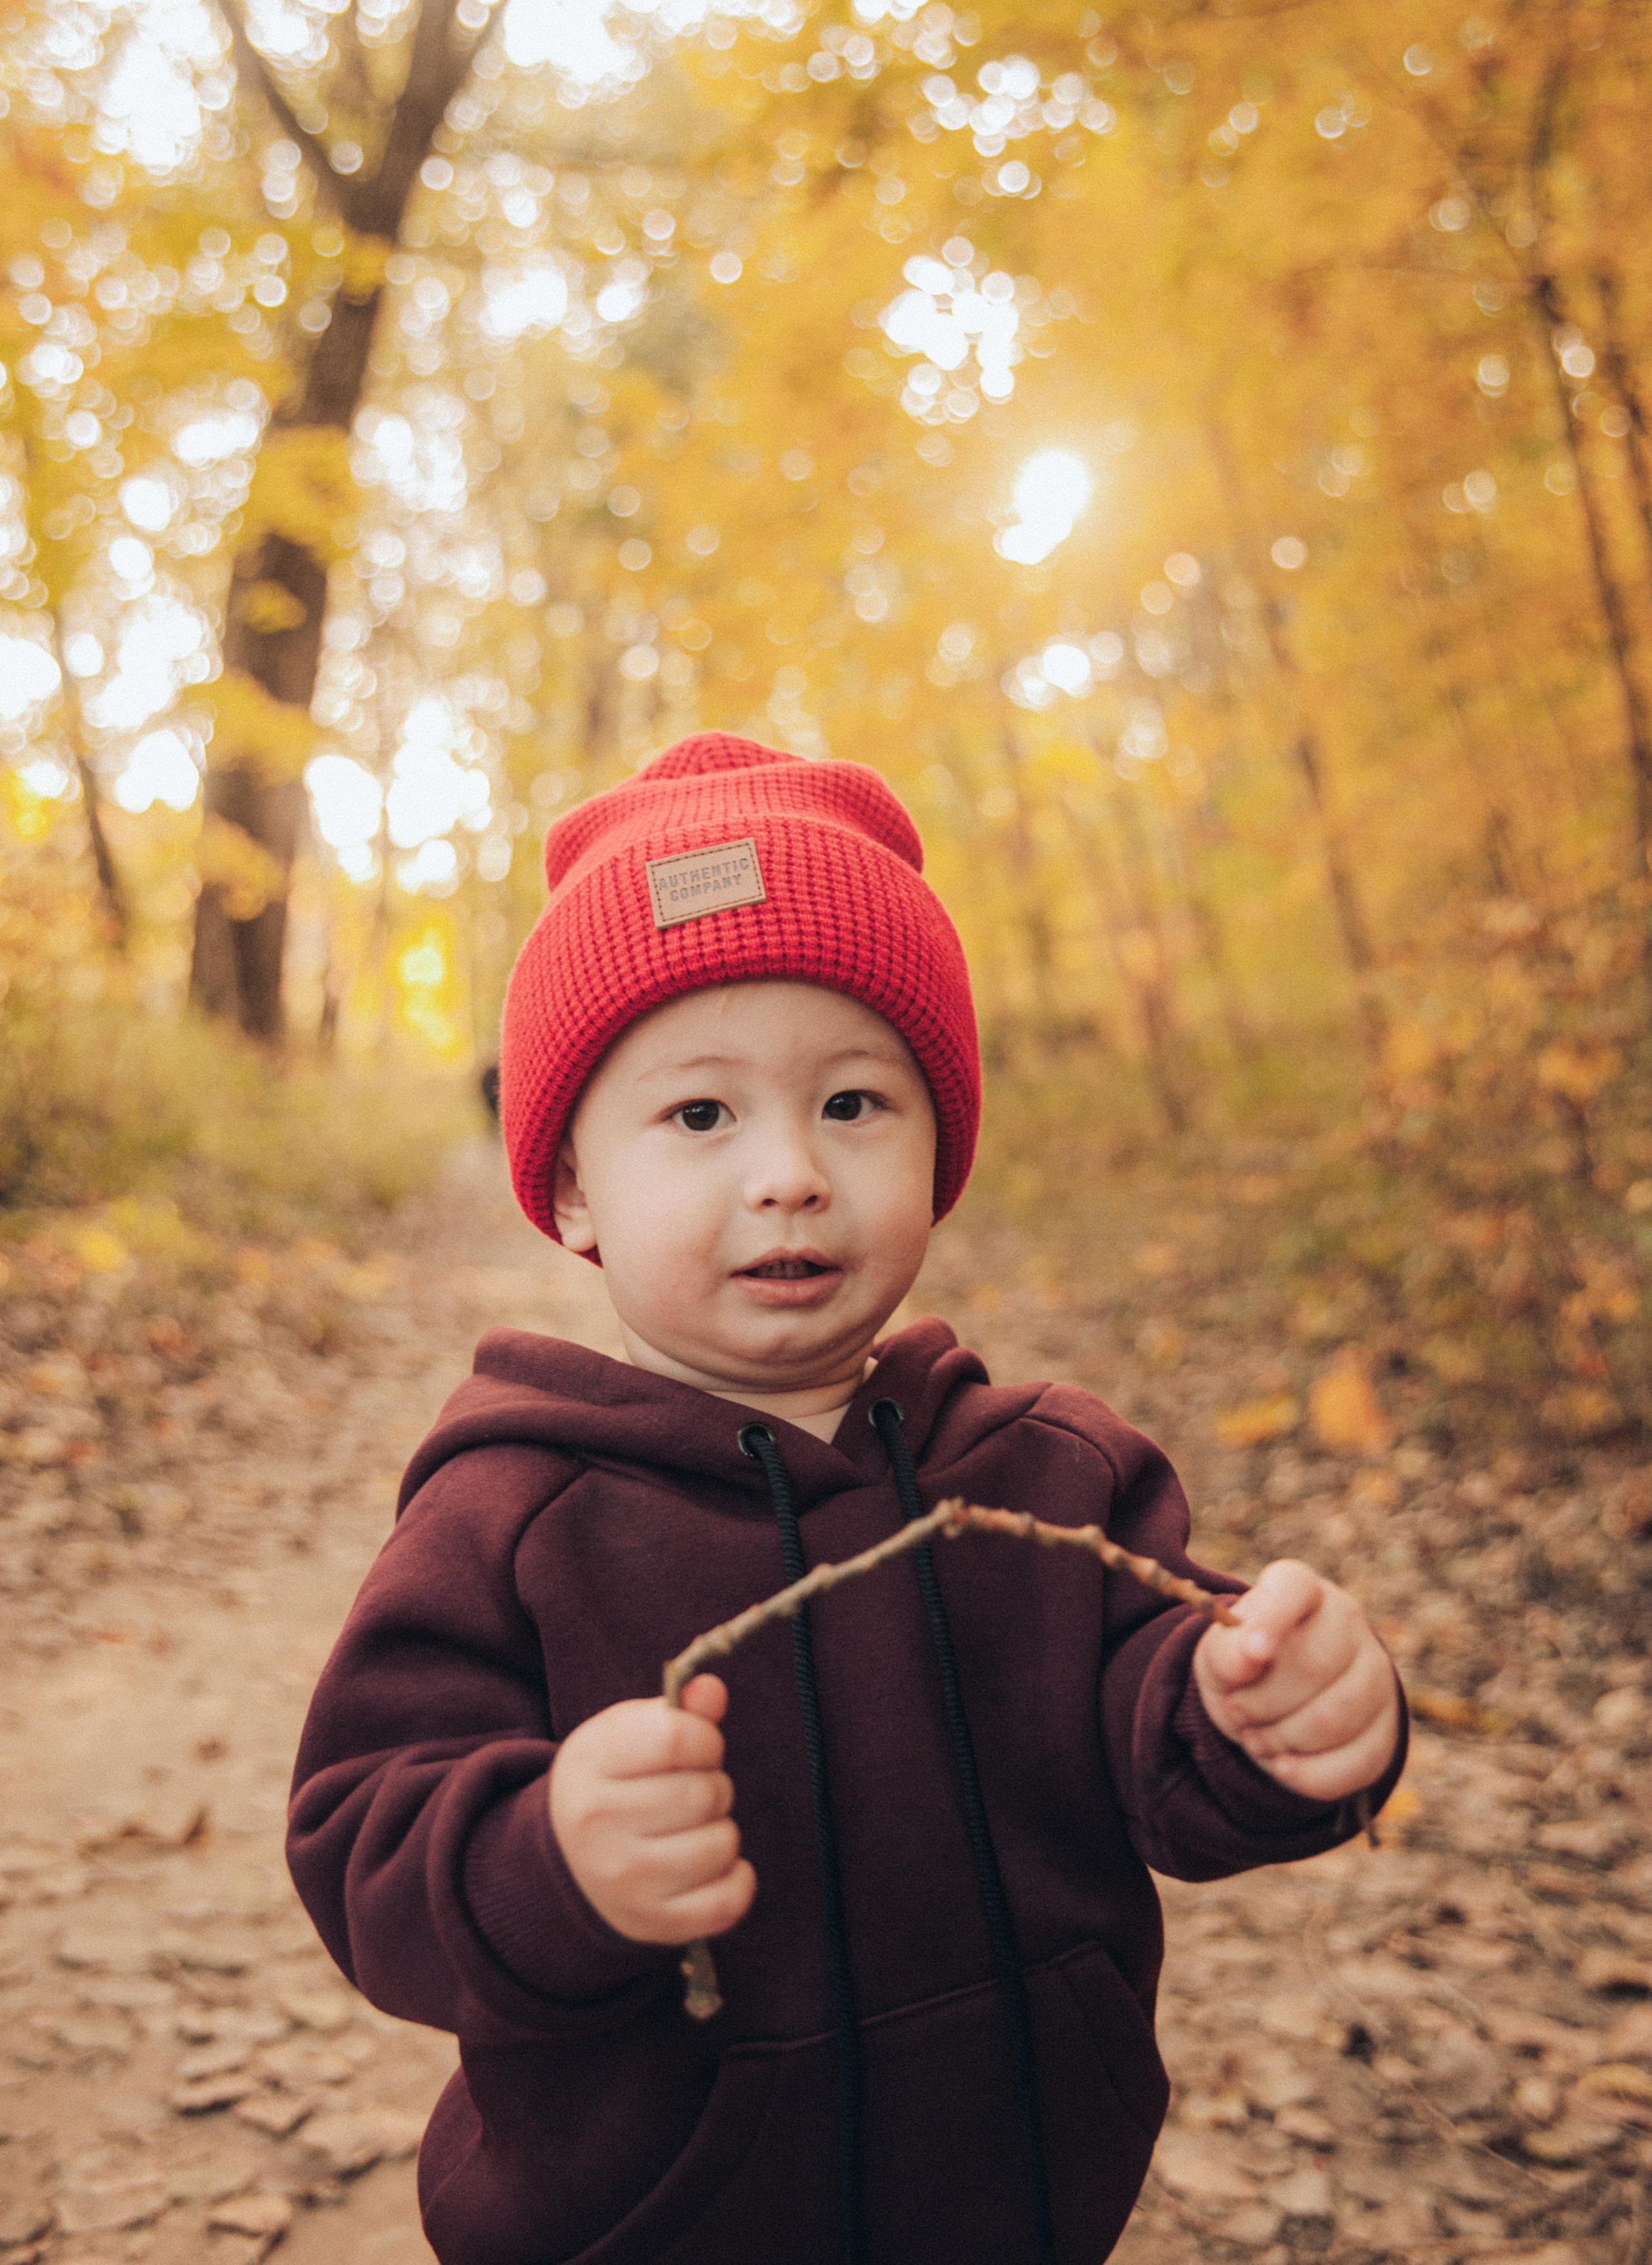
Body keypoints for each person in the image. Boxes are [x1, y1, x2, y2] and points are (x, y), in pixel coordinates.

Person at [287, 731, 1405, 2265]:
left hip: (1017, 2207)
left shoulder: (1046, 1474)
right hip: (652, 2223)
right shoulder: (512, 1520)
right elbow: (363, 1838)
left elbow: (1172, 1738)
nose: (791, 1173)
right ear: (567, 1190)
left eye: (856, 1104)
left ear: (940, 1147)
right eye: (699, 1117)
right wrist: (551, 1855)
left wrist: (1271, 1721)